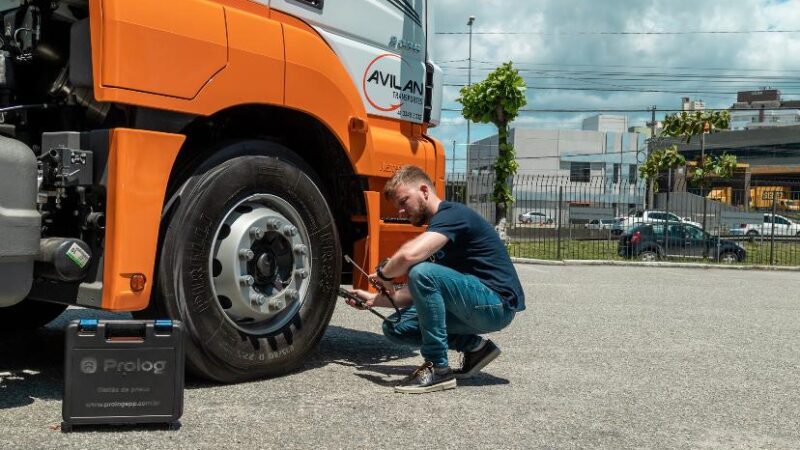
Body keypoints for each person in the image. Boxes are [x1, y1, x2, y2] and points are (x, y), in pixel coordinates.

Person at [346, 165, 525, 394]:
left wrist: (384, 274)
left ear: (424, 191)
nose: (400, 211)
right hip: (473, 303)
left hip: (496, 304)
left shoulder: (452, 214)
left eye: (403, 201)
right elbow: (422, 293)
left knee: (420, 270)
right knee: (397, 327)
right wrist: (372, 300)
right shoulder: (440, 228)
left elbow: (410, 258)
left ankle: (438, 369)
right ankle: (477, 348)